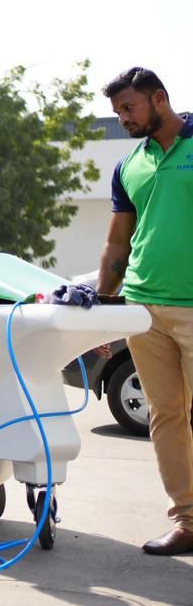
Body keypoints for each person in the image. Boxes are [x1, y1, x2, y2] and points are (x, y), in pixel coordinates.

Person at [95, 67, 193, 556]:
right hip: (143, 307)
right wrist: (103, 308)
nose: (124, 119)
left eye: (129, 108)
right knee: (166, 416)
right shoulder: (129, 164)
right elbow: (118, 243)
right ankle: (188, 520)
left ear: (159, 99)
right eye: (117, 112)